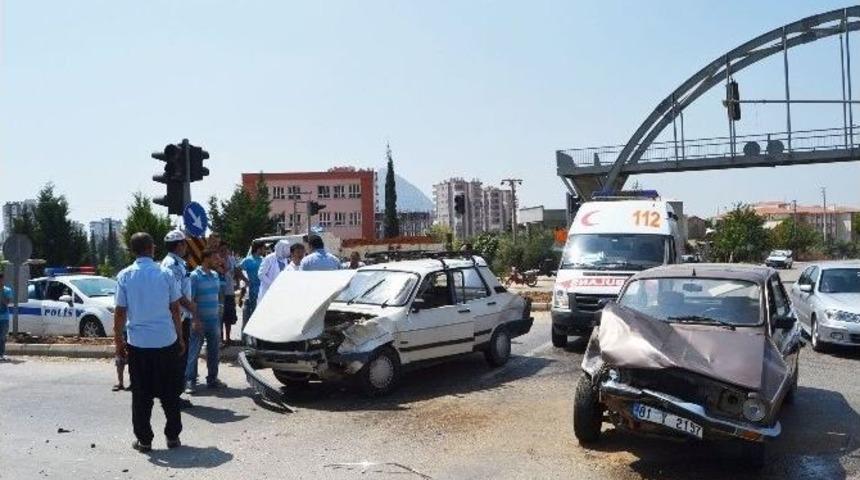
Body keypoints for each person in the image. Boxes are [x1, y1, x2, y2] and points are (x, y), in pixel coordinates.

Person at [114, 232, 185, 453]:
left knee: (141, 395)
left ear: (133, 251)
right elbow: (175, 309)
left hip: (139, 345)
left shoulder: (125, 276)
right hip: (166, 341)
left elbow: (119, 313)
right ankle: (172, 436)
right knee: (170, 393)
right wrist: (180, 337)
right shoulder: (165, 274)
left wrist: (118, 343)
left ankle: (144, 440)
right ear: (152, 248)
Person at [161, 230, 198, 407]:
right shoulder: (172, 265)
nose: (186, 246)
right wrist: (193, 308)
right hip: (179, 318)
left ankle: (173, 394)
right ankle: (173, 397)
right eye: (184, 243)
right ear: (179, 245)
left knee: (179, 358)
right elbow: (175, 295)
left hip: (182, 315)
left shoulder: (177, 263)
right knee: (178, 358)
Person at [185, 249, 226, 393]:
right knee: (194, 350)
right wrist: (195, 320)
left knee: (214, 351)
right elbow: (191, 299)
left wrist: (220, 309)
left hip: (214, 320)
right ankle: (190, 381)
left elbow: (218, 295)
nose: (218, 260)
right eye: (215, 257)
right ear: (206, 258)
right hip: (199, 320)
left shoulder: (215, 275)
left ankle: (212, 379)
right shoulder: (195, 276)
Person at [218, 243, 246, 346]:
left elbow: (238, 271)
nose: (224, 252)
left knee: (229, 317)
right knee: (219, 317)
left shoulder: (231, 259)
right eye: (221, 250)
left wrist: (244, 280)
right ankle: (220, 339)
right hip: (218, 294)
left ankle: (228, 338)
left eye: (225, 250)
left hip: (229, 292)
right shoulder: (215, 260)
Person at [239, 242, 265, 330]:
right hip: (252, 290)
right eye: (263, 248)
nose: (264, 250)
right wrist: (246, 280)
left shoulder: (264, 259)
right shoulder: (248, 260)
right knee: (253, 312)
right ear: (258, 249)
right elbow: (238, 270)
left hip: (262, 289)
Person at [0, 271, 13, 362]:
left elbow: (7, 302)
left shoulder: (7, 290)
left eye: (1, 280)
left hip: (4, 317)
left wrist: (2, 292)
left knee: (2, 337)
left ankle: (2, 354)